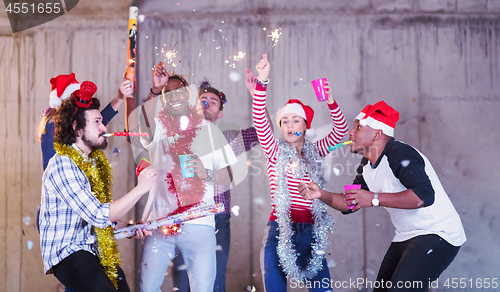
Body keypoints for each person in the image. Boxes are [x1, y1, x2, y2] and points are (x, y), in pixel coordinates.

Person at [299, 101, 466, 291]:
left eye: (358, 127)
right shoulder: (367, 165)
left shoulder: (399, 153)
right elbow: (350, 203)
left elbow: (424, 196)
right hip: (406, 235)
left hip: (438, 233)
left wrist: (374, 198)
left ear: (378, 134)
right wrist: (320, 193)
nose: (350, 132)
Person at [39, 80, 156, 292]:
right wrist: (141, 188)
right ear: (77, 128)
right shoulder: (63, 165)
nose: (104, 127)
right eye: (97, 122)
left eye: (102, 121)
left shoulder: (90, 163)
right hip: (68, 252)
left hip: (92, 248)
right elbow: (99, 215)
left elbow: (99, 219)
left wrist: (129, 227)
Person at [253, 54, 349, 291]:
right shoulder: (274, 150)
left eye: (296, 120)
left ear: (306, 125)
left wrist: (330, 101)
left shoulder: (316, 150)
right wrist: (262, 81)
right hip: (279, 231)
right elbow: (259, 119)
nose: (289, 125)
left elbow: (341, 131)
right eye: (284, 121)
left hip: (311, 233)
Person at [139, 62, 238, 292]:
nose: (173, 95)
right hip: (160, 223)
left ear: (188, 96)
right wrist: (155, 89)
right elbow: (139, 125)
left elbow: (230, 174)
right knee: (148, 287)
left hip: (200, 223)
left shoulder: (209, 130)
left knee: (203, 288)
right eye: (167, 92)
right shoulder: (158, 127)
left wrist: (207, 173)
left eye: (178, 91)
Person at [171, 70, 271, 292]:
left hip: (217, 219)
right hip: (183, 218)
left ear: (220, 113)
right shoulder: (178, 135)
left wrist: (258, 96)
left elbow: (266, 133)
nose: (207, 103)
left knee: (214, 284)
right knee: (182, 285)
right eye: (202, 100)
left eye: (213, 101)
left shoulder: (229, 138)